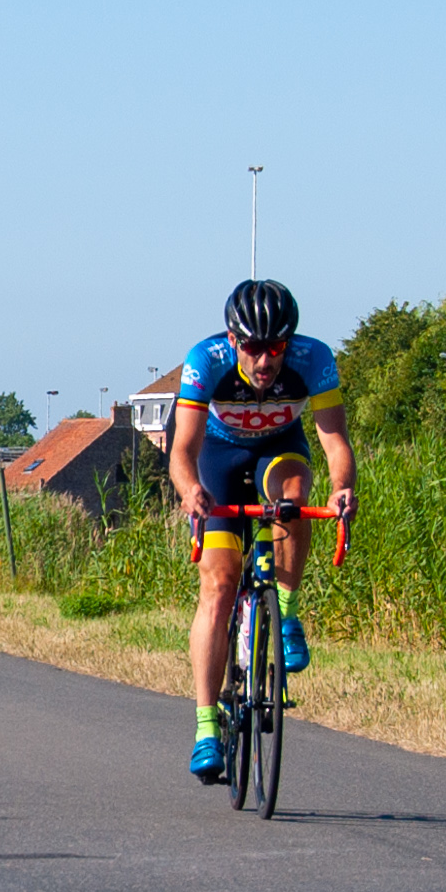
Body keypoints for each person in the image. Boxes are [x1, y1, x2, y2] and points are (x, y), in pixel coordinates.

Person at [167, 278, 356, 781]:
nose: (265, 362)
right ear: (233, 342)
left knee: (293, 496)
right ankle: (207, 726)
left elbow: (335, 439)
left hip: (280, 447)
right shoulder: (204, 361)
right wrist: (190, 491)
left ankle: (288, 615)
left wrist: (342, 489)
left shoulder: (314, 360)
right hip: (218, 457)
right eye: (252, 348)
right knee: (219, 586)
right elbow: (181, 451)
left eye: (275, 348)